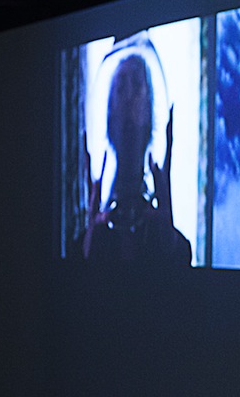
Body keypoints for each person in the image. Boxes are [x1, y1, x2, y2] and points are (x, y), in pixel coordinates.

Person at [81, 52, 190, 265]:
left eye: (137, 85)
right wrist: (88, 248)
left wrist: (170, 245)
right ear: (110, 112)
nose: (129, 97)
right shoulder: (98, 229)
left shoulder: (160, 231)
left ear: (150, 109)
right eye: (121, 88)